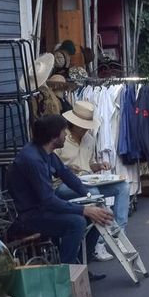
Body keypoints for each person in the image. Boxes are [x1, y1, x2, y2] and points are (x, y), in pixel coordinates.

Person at [6, 114, 112, 268]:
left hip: (43, 210)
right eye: (64, 132)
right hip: (29, 216)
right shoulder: (33, 160)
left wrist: (90, 197)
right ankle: (66, 274)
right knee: (77, 223)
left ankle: (82, 268)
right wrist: (85, 210)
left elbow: (67, 175)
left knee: (98, 218)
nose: (66, 135)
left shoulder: (46, 152)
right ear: (54, 136)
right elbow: (48, 200)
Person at [57, 99, 130, 262]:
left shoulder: (89, 139)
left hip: (88, 181)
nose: (84, 130)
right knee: (94, 194)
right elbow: (53, 168)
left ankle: (120, 234)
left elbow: (89, 165)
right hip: (65, 185)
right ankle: (99, 242)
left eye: (86, 126)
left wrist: (99, 166)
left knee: (122, 187)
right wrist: (67, 171)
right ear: (72, 123)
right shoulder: (61, 140)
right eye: (81, 126)